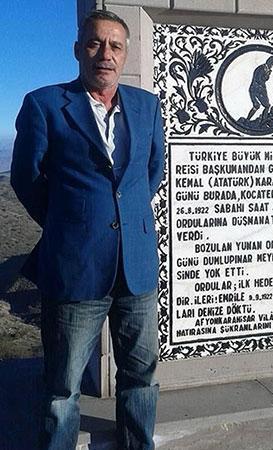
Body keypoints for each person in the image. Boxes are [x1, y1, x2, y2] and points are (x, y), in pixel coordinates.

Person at [11, 9, 165, 449]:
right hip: (74, 267)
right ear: (78, 50)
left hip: (136, 267)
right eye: (96, 44)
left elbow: (151, 173)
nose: (105, 54)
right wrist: (71, 222)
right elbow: (26, 178)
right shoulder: (44, 105)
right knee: (63, 387)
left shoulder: (147, 107)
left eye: (115, 46)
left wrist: (124, 220)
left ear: (125, 53)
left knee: (141, 374)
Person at [245, 55, 273, 121]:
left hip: (258, 89)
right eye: (272, 64)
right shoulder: (261, 69)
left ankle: (250, 120)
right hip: (257, 89)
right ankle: (262, 121)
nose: (272, 66)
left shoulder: (266, 69)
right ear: (269, 62)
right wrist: (267, 75)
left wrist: (267, 74)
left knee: (258, 106)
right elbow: (260, 80)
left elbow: (264, 80)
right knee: (264, 106)